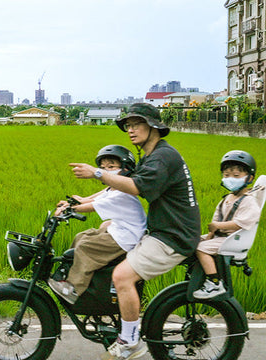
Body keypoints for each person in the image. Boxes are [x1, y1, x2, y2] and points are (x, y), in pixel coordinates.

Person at [69, 103, 201, 360]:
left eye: (136, 124)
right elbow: (119, 186)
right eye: (128, 126)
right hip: (163, 230)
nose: (130, 130)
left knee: (122, 276)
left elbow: (136, 187)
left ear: (153, 126)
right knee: (106, 238)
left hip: (173, 236)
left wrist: (96, 173)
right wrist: (83, 199)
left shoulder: (163, 157)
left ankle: (130, 342)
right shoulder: (152, 156)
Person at [48, 145, 147, 305]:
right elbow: (90, 199)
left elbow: (89, 207)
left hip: (126, 238)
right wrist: (71, 202)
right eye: (102, 168)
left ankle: (73, 288)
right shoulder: (113, 188)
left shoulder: (122, 194)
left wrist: (70, 208)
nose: (106, 171)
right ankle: (73, 276)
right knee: (82, 237)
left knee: (86, 247)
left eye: (111, 167)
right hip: (119, 231)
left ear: (126, 169)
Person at [193, 150, 261, 299]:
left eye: (236, 176)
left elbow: (238, 224)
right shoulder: (226, 198)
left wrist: (218, 227)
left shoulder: (248, 201)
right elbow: (216, 220)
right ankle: (198, 276)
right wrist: (209, 235)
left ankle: (215, 282)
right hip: (221, 237)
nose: (230, 179)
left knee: (201, 249)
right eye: (226, 175)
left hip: (231, 239)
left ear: (250, 178)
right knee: (193, 241)